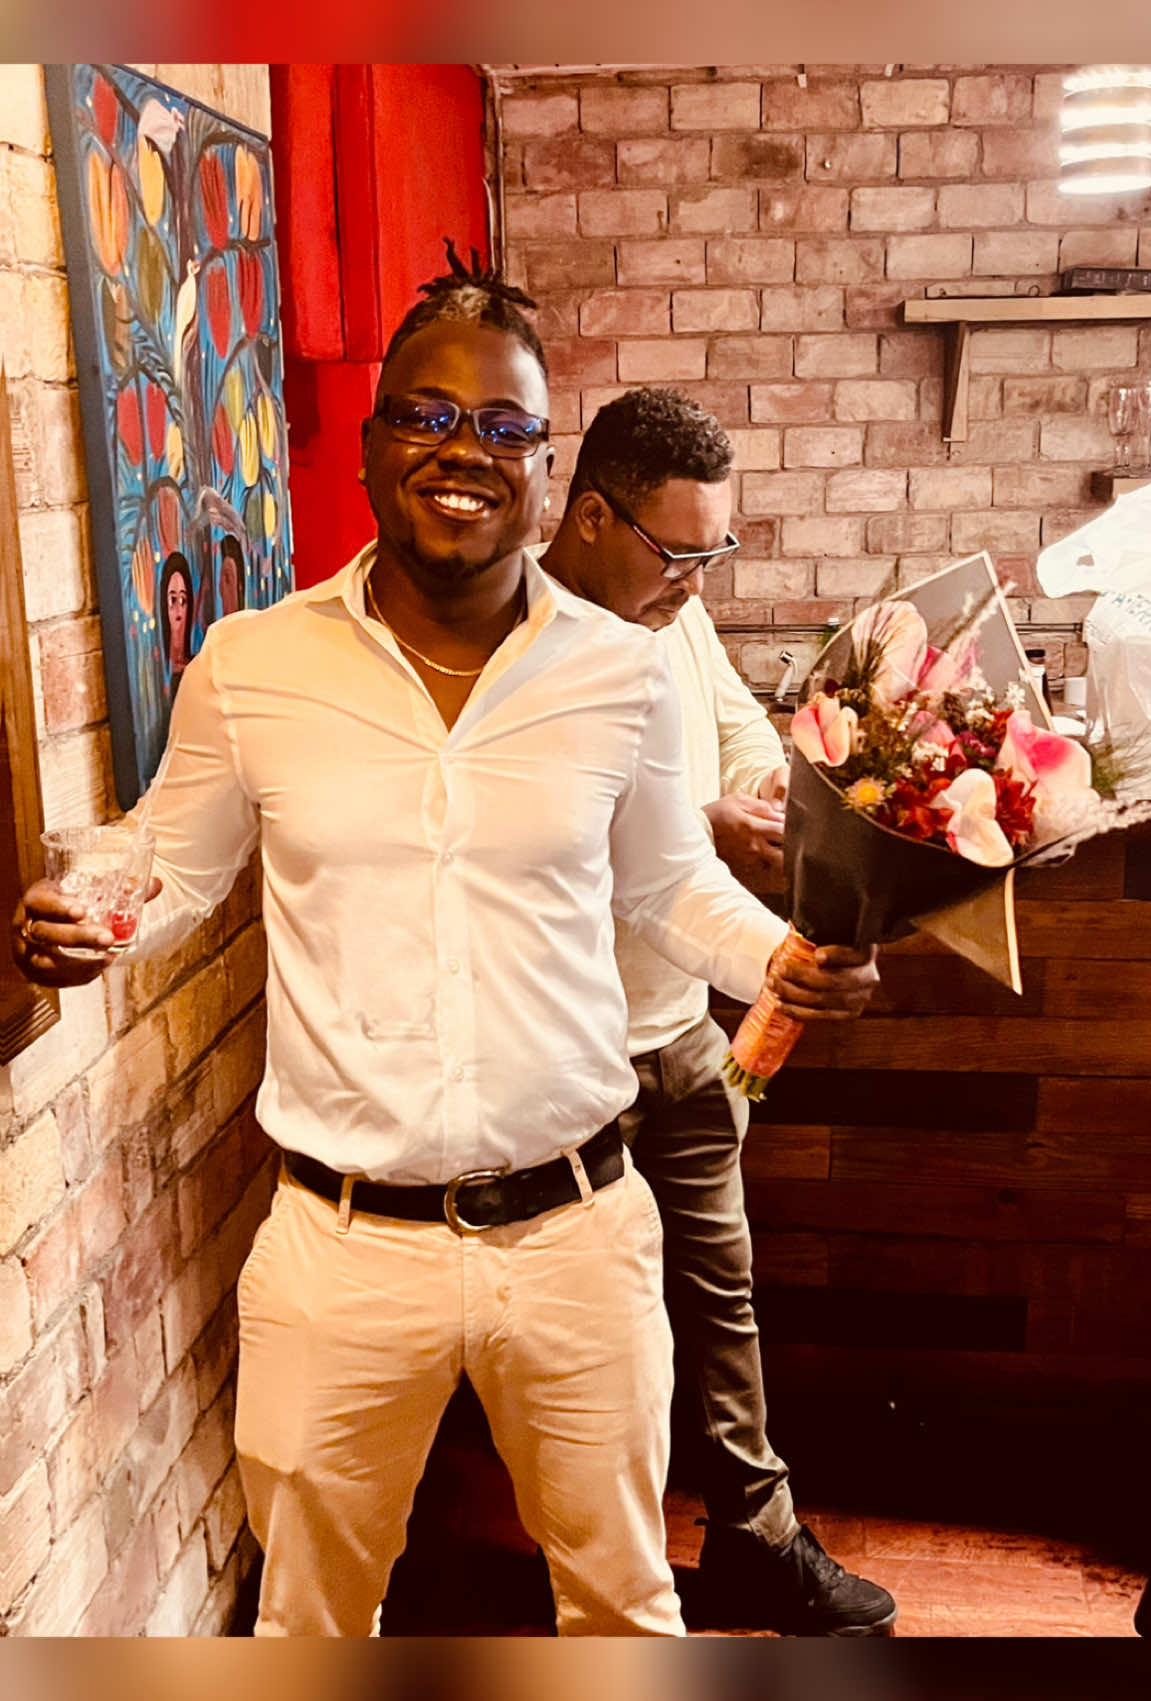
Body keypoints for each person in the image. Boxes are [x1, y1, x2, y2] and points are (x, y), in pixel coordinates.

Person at [11, 252, 855, 1639]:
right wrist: (88, 916)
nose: (465, 450)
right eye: (428, 414)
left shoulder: (623, 671)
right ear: (369, 444)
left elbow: (666, 887)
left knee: (623, 1611)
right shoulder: (254, 665)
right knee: (311, 1622)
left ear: (545, 474)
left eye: (505, 426)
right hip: (341, 1249)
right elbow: (170, 862)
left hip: (576, 1237)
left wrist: (778, 960)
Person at [540, 387, 897, 1637]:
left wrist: (778, 799)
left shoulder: (671, 615)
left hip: (682, 1037)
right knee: (598, 1345)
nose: (696, 581)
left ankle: (754, 1539)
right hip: (564, 1065)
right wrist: (697, 825)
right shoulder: (515, 642)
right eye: (677, 552)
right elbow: (536, 854)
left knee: (721, 1302)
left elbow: (741, 729)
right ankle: (607, 1580)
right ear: (591, 517)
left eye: (714, 551)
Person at [158, 549, 193, 701]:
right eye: (172, 600)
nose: (179, 610)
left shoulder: (196, 664)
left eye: (182, 600)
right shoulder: (159, 669)